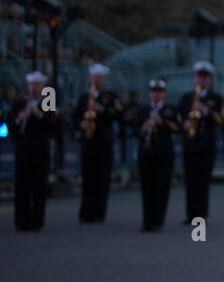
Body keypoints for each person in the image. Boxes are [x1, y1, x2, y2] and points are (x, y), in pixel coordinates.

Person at [8, 71, 59, 231]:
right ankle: (22, 221)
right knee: (22, 186)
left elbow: (53, 126)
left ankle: (37, 221)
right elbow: (9, 125)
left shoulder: (48, 102)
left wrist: (39, 115)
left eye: (37, 85)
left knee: (39, 187)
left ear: (43, 87)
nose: (34, 88)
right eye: (31, 85)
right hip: (23, 149)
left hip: (40, 150)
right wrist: (19, 119)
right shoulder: (20, 103)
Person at [75, 63, 124, 223]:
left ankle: (99, 212)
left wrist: (101, 108)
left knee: (102, 177)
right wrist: (80, 124)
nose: (96, 80)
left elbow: (119, 114)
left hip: (104, 141)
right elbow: (75, 116)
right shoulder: (84, 97)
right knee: (88, 177)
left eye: (99, 77)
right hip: (88, 141)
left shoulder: (110, 97)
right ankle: (86, 211)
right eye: (94, 77)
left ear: (104, 78)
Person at [178, 61, 224, 222]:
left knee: (203, 180)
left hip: (206, 145)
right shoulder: (186, 98)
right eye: (199, 77)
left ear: (210, 79)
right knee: (190, 180)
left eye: (205, 77)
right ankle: (190, 214)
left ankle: (201, 214)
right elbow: (179, 118)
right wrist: (184, 124)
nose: (202, 80)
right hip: (190, 144)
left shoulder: (216, 98)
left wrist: (205, 110)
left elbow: (221, 120)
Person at [135, 77, 181, 231]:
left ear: (164, 94)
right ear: (149, 93)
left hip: (164, 154)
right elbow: (133, 128)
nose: (156, 95)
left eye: (159, 92)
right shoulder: (142, 110)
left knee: (162, 187)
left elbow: (178, 128)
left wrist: (162, 123)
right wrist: (143, 127)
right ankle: (147, 221)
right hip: (146, 153)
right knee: (147, 188)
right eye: (154, 92)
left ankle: (158, 220)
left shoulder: (170, 110)